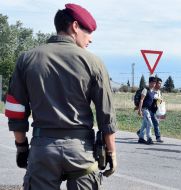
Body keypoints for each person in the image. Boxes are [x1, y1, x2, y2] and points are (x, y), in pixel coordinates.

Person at [4, 3, 117, 190]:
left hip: (42, 150)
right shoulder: (94, 62)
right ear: (74, 27)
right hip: (81, 152)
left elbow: (16, 109)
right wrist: (111, 152)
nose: (91, 38)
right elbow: (106, 114)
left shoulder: (27, 59)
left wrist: (21, 146)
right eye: (88, 31)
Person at [137, 76, 157, 144]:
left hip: (149, 110)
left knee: (144, 125)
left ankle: (141, 138)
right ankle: (149, 138)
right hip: (144, 109)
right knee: (150, 123)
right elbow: (141, 100)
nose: (153, 84)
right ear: (149, 83)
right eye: (152, 82)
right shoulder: (145, 90)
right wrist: (139, 110)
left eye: (154, 83)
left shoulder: (153, 92)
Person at [150, 77, 164, 143]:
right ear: (155, 83)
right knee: (156, 123)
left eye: (161, 84)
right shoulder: (152, 91)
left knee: (148, 124)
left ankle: (139, 132)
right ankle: (158, 137)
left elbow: (160, 100)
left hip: (157, 110)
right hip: (151, 109)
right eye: (158, 83)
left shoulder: (159, 92)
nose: (160, 85)